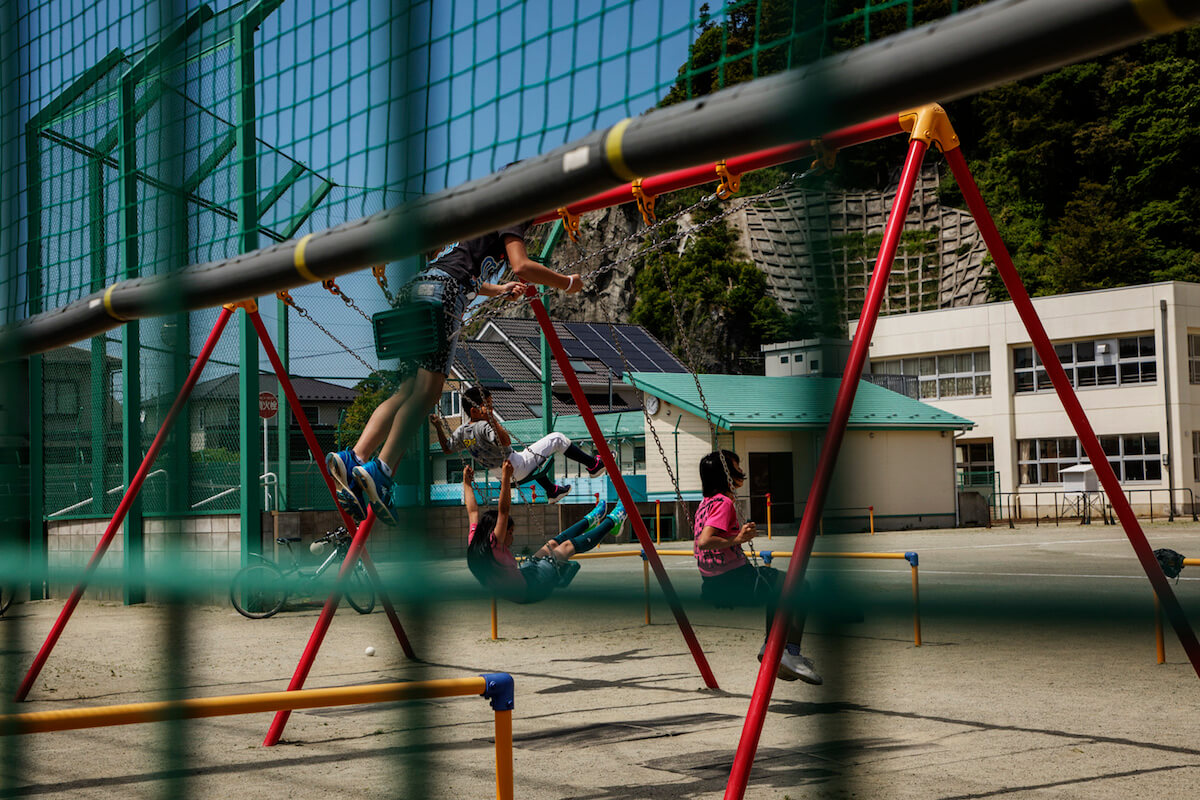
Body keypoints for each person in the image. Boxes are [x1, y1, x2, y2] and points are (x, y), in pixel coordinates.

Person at [326, 216, 583, 525]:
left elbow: (468, 276)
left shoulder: (478, 232)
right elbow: (522, 266)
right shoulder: (512, 216)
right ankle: (381, 471)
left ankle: (355, 456)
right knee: (428, 392)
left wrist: (500, 289)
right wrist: (569, 283)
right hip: (443, 294)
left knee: (406, 390)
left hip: (418, 288)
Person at [693, 449, 821, 684]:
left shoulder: (705, 504)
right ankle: (790, 652)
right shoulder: (724, 502)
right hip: (734, 579)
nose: (742, 471)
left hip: (712, 582)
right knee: (800, 586)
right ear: (725, 475)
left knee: (779, 588)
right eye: (737, 467)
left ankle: (771, 646)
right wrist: (738, 539)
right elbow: (705, 540)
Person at [464, 462, 626, 604]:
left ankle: (591, 520)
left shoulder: (476, 541)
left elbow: (472, 511)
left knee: (551, 545)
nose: (512, 537)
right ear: (497, 531)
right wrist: (506, 477)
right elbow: (503, 511)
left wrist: (467, 483)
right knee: (566, 547)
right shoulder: (494, 543)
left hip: (524, 578)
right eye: (510, 532)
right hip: (533, 588)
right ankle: (613, 521)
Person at [432, 386, 606, 504]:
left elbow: (447, 448)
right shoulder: (484, 426)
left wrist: (439, 426)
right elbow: (506, 441)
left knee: (530, 456)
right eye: (488, 406)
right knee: (557, 439)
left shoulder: (462, 431)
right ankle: (593, 465)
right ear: (475, 411)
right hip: (514, 465)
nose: (492, 409)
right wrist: (491, 419)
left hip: (502, 475)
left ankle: (552, 491)